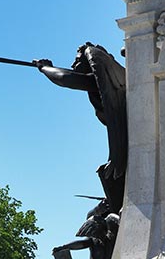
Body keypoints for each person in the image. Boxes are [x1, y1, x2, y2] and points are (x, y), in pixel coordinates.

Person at [34, 43, 127, 215]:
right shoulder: (118, 78)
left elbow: (65, 78)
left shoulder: (106, 77)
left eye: (77, 61)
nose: (73, 65)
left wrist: (45, 68)